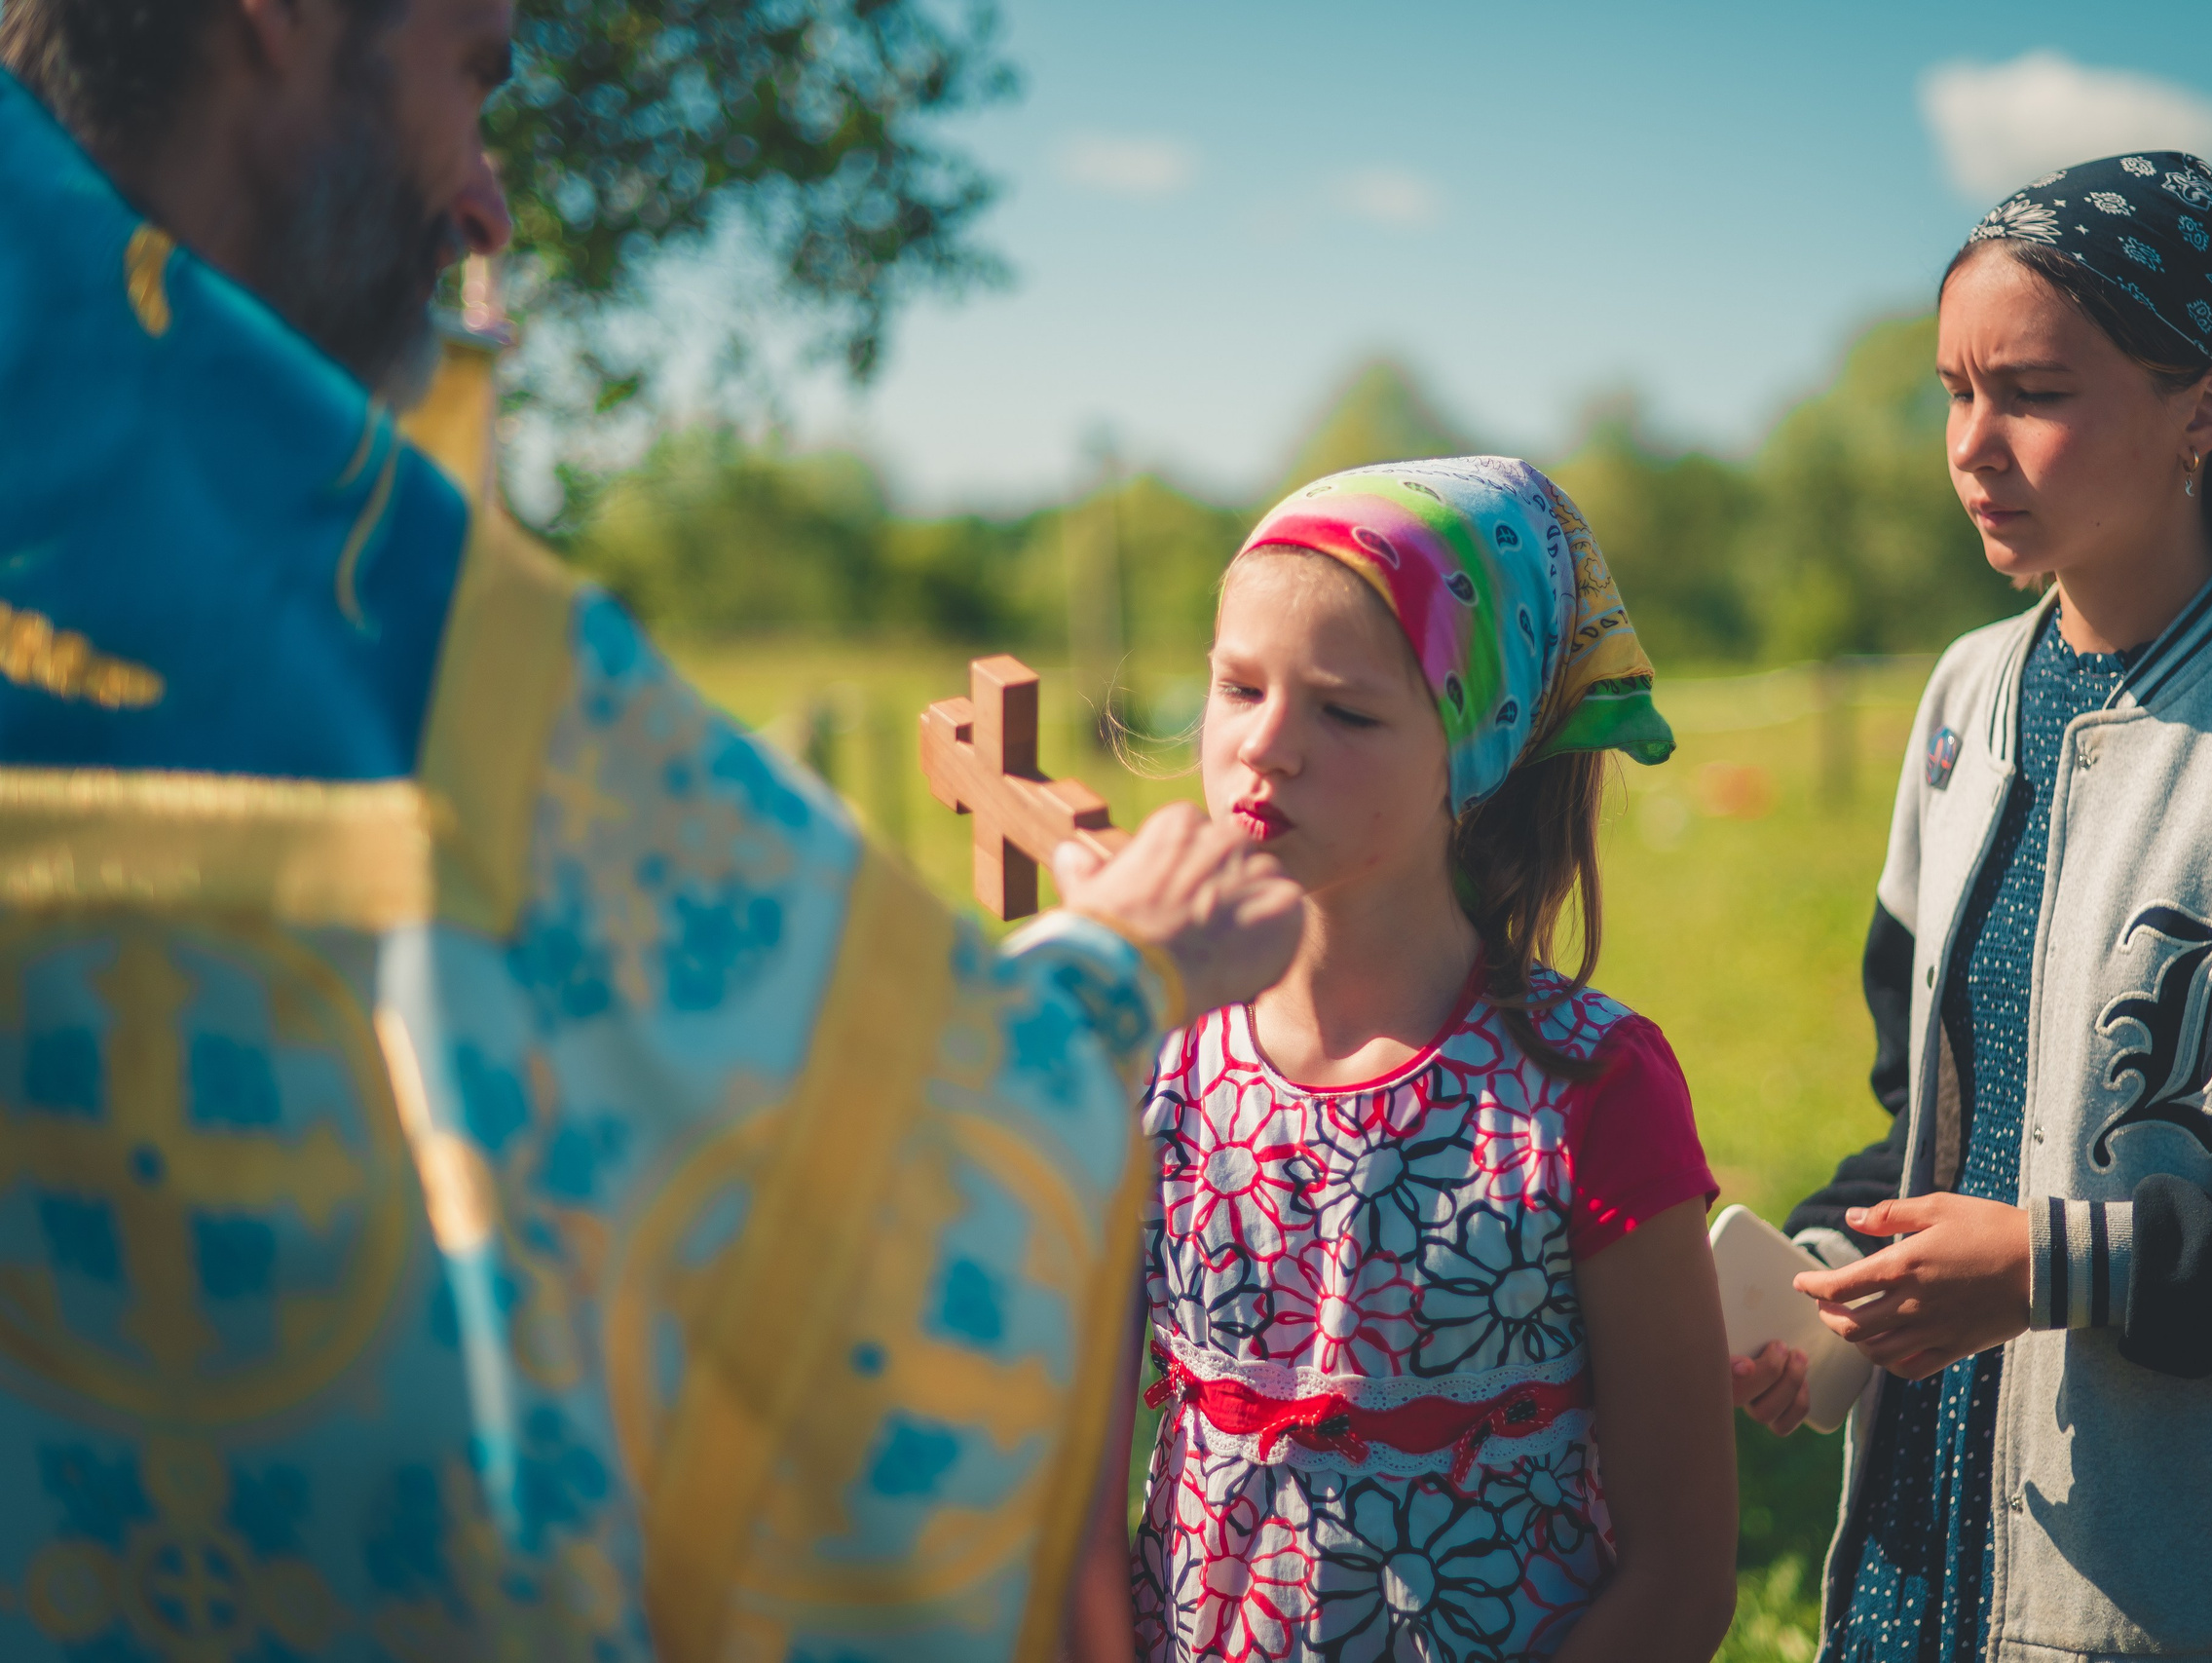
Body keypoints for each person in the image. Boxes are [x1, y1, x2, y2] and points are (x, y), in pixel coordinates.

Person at [0, 3, 1303, 1661]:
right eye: (469, 77)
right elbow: (860, 1193)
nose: (486, 205)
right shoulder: (401, 651)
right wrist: (1122, 977)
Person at [1730, 152, 2212, 1663]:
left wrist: (2047, 1264)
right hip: (1923, 1563)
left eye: (2032, 392)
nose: (1972, 446)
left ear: (2204, 409)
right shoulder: (1963, 701)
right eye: (1953, 391)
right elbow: (1934, 1114)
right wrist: (1831, 1265)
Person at [1071, 457, 1740, 1661]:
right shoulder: (1145, 1064)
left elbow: (1683, 1579)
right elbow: (1074, 1525)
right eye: (1236, 687)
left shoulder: (1588, 1089)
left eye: (1345, 710)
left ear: (1470, 751)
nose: (1263, 748)